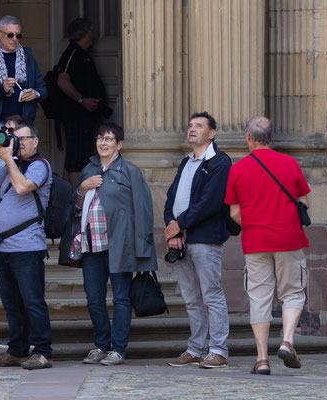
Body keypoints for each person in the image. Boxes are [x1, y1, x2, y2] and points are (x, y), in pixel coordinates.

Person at [225, 116, 311, 375]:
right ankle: (287, 341)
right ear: (270, 137)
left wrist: (253, 223)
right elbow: (305, 201)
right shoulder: (290, 163)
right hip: (289, 238)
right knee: (293, 292)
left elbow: (234, 214)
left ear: (248, 138)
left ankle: (262, 359)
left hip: (255, 241)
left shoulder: (238, 168)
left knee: (260, 297)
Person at [75, 122, 157, 366]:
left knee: (121, 299)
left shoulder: (130, 171)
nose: (103, 143)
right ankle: (101, 345)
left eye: (109, 139)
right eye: (100, 138)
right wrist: (81, 188)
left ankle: (118, 348)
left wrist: (143, 247)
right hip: (92, 247)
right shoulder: (88, 169)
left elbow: (144, 211)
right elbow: (76, 209)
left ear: (119, 144)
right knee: (94, 299)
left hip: (120, 246)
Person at [0, 123, 53, 370]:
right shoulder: (13, 165)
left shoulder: (39, 166)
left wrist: (8, 159)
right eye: (15, 139)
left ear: (35, 141)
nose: (19, 143)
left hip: (27, 247)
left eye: (23, 139)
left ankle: (42, 351)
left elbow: (22, 187)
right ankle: (18, 350)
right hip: (3, 249)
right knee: (12, 303)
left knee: (33, 301)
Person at [163, 112, 232, 369]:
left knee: (211, 294)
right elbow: (171, 198)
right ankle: (195, 348)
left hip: (206, 238)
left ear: (211, 133)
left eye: (199, 126)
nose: (192, 129)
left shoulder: (220, 162)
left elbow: (209, 203)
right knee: (191, 297)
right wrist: (174, 229)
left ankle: (218, 350)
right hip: (182, 239)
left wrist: (178, 224)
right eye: (190, 125)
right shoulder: (186, 162)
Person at [0, 15, 47, 151]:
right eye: (10, 35)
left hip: (23, 123)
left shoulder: (28, 58)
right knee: (3, 165)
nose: (14, 39)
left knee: (22, 165)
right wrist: (1, 89)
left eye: (18, 35)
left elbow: (43, 88)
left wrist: (36, 94)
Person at [57, 18, 107, 190]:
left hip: (84, 117)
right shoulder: (72, 53)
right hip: (75, 116)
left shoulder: (82, 53)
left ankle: (67, 202)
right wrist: (82, 100)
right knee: (76, 160)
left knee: (75, 158)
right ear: (85, 34)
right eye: (91, 32)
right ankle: (78, 205)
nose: (93, 36)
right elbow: (62, 80)